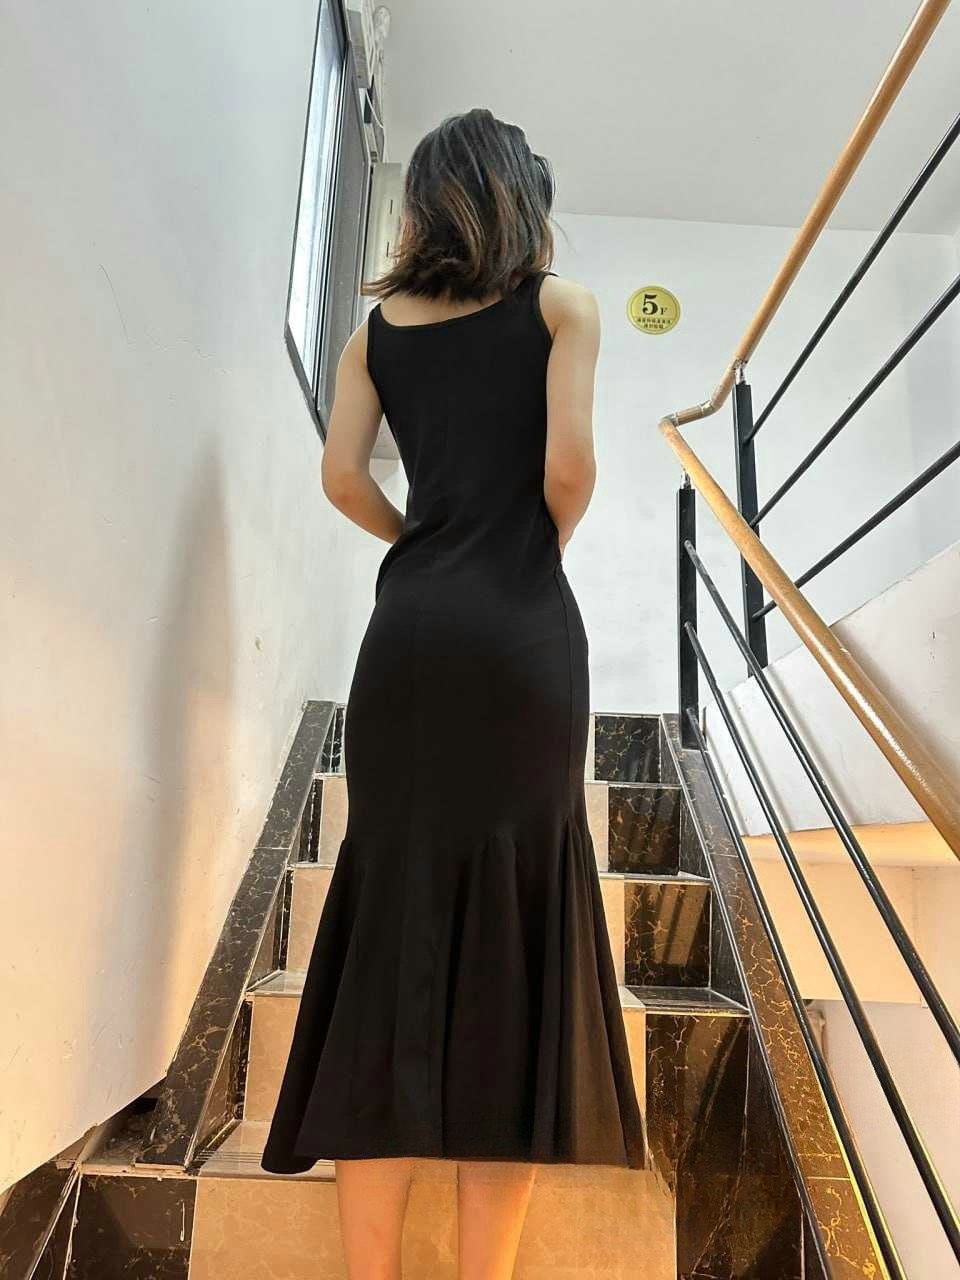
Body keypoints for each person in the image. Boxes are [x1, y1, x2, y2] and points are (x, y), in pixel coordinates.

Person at [260, 106, 645, 1278]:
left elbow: (341, 477)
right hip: (522, 633)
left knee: (389, 930)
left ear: (424, 202)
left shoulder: (373, 336)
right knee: (518, 945)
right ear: (520, 197)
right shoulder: (563, 307)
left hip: (410, 640)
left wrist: (420, 541)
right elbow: (568, 467)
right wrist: (528, 545)